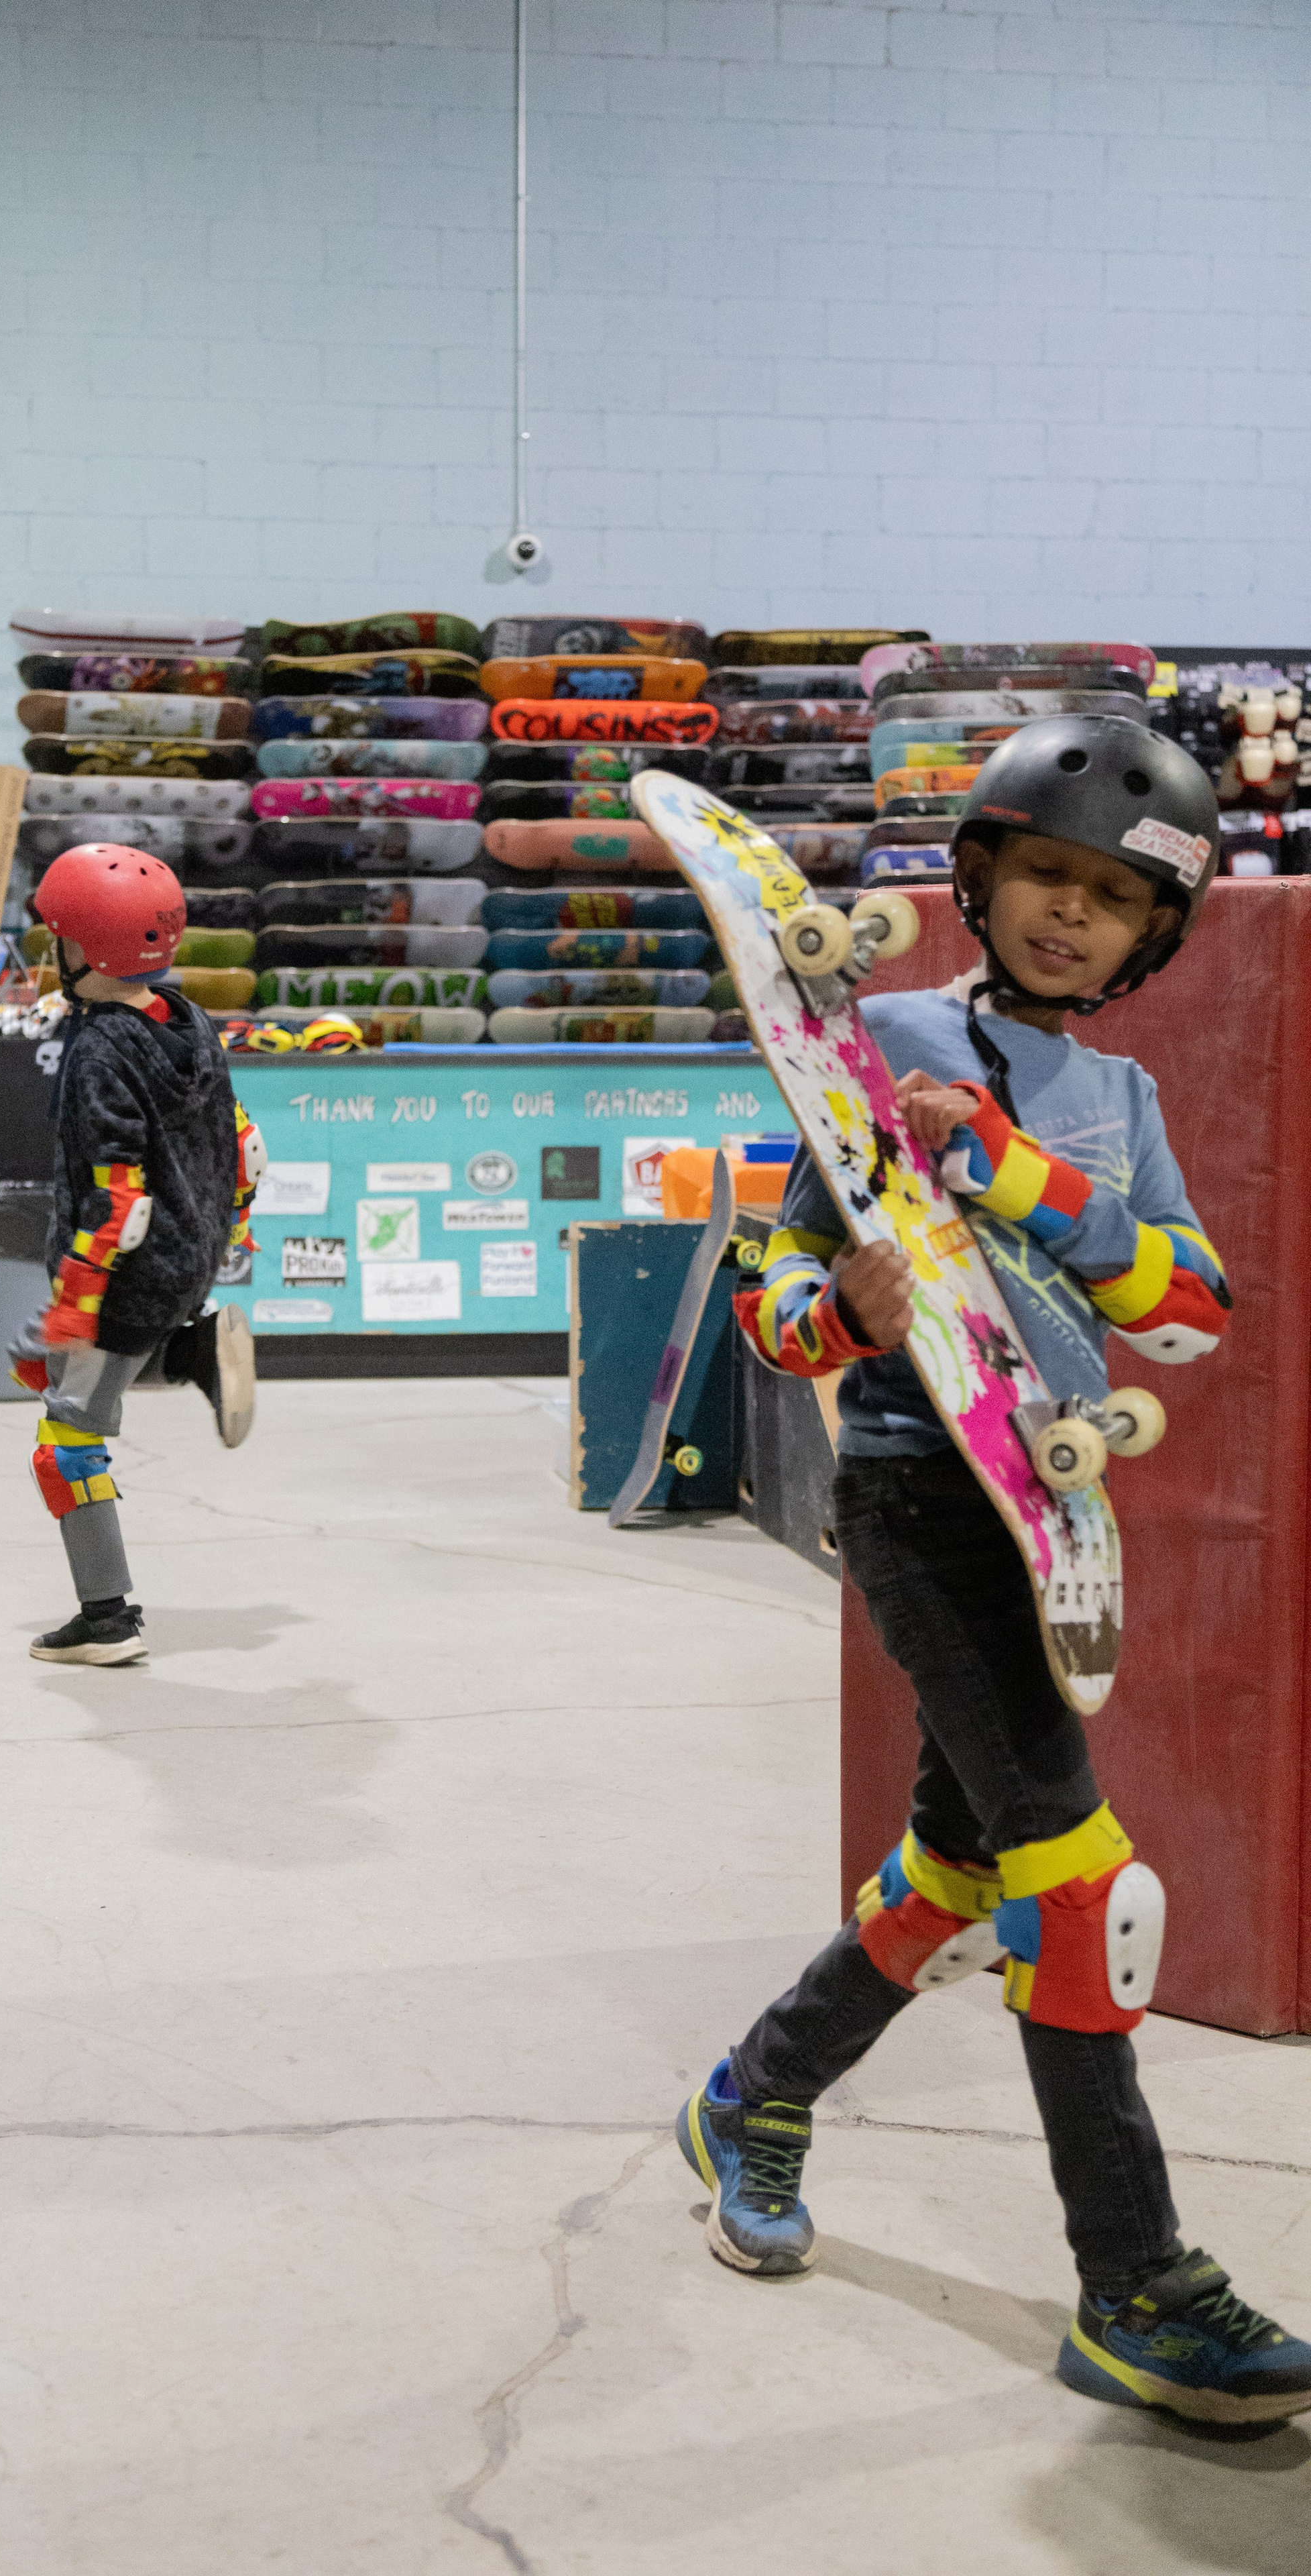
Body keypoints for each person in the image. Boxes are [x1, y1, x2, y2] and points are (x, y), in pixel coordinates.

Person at [681, 715, 1311, 2434]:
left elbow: (1185, 1311)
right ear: (978, 873)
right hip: (914, 1495)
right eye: (1042, 874)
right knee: (1079, 1881)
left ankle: (750, 2095)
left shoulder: (1118, 1101)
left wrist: (1018, 1175)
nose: (1065, 915)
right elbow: (765, 1294)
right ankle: (1132, 2282)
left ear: (1149, 936)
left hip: (1049, 1513)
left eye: (1109, 899)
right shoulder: (867, 1038)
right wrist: (840, 1314)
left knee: (959, 1874)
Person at [10, 843, 264, 1669]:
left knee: (67, 1440)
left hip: (126, 1268)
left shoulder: (97, 1051)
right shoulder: (187, 1020)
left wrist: (72, 1305)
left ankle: (107, 1619)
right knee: (76, 1381)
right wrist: (228, 1232)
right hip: (191, 1254)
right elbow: (240, 1145)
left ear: (82, 948)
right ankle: (193, 1348)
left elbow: (115, 1197)